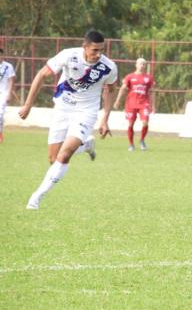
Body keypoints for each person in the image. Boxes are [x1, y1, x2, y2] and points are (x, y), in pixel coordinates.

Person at [18, 30, 118, 209]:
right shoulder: (68, 55)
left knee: (64, 155)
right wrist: (27, 105)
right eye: (95, 50)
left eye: (101, 50)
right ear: (84, 47)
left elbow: (110, 91)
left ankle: (36, 198)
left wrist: (105, 119)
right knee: (53, 158)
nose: (98, 54)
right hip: (62, 108)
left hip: (86, 112)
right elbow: (41, 75)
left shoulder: (108, 67)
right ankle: (86, 145)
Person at [113, 57, 155, 151]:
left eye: (144, 64)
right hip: (131, 104)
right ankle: (131, 144)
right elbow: (123, 89)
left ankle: (142, 140)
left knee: (145, 123)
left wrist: (153, 105)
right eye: (140, 63)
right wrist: (117, 101)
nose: (142, 66)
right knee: (130, 124)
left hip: (144, 103)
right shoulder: (130, 77)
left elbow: (152, 91)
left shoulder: (148, 78)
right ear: (136, 65)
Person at [0, 49, 16, 143]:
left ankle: (0, 133)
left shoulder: (8, 66)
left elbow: (11, 80)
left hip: (3, 93)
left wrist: (9, 93)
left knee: (0, 114)